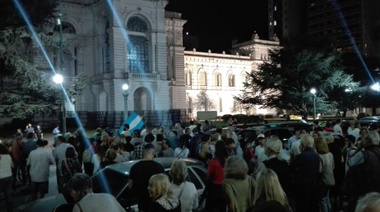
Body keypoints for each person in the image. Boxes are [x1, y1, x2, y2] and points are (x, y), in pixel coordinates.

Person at [128, 143, 165, 212]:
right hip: (156, 203)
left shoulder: (134, 167)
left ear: (143, 153)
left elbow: (130, 186)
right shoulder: (159, 167)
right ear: (153, 153)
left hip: (141, 202)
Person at [290, 134, 320, 212]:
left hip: (302, 187)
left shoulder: (301, 157)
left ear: (302, 144)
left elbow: (291, 169)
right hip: (314, 185)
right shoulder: (316, 156)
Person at [201, 140, 228, 212]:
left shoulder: (213, 162)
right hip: (224, 188)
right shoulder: (228, 160)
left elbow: (208, 176)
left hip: (214, 190)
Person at [315, 137, 335, 212]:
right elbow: (333, 166)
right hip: (331, 179)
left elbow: (319, 170)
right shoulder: (330, 154)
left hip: (323, 180)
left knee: (322, 199)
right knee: (327, 198)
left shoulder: (319, 156)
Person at [0, 143, 13, 212]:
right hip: (9, 176)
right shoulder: (8, 156)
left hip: (1, 177)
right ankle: (10, 210)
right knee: (8, 195)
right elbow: (12, 165)